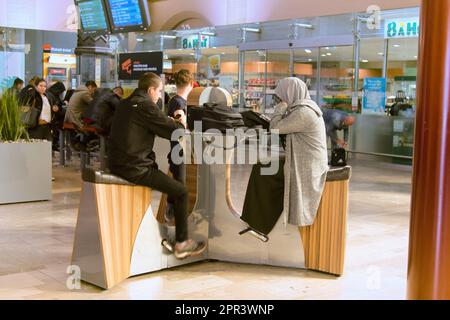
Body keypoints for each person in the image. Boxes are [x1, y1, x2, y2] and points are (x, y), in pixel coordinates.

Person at [108, 72, 206, 259]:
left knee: (165, 180)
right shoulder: (145, 105)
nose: (160, 95)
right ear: (151, 89)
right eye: (159, 91)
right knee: (181, 191)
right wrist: (181, 123)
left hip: (118, 162)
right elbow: (175, 132)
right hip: (134, 168)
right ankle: (182, 243)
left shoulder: (126, 103)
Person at [240, 78, 329, 237]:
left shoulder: (304, 112)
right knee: (264, 167)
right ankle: (259, 221)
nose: (279, 100)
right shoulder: (303, 108)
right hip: (304, 160)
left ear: (290, 93)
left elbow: (275, 128)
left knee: (263, 171)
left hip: (306, 165)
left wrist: (280, 108)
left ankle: (259, 224)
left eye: (280, 97)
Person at [165, 69, 195, 222]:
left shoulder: (177, 101)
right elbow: (182, 123)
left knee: (179, 181)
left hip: (179, 149)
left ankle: (172, 211)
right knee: (180, 183)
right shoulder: (178, 102)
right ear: (190, 83)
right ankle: (172, 212)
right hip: (178, 149)